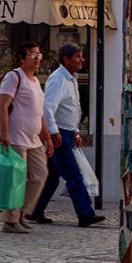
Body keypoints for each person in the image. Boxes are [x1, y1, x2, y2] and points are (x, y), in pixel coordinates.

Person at [28, 43, 105, 228]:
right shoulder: (58, 79)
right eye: (78, 56)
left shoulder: (72, 79)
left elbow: (71, 109)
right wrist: (53, 133)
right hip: (59, 133)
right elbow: (48, 108)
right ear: (66, 59)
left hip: (68, 132)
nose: (81, 60)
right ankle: (85, 213)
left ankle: (34, 210)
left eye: (81, 56)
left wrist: (76, 131)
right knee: (73, 174)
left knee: (51, 176)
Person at [0, 42, 54, 234]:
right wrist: (4, 132)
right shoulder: (14, 77)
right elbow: (3, 105)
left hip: (34, 138)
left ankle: (22, 213)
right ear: (22, 57)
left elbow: (39, 113)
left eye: (39, 55)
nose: (37, 58)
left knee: (39, 175)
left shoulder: (36, 82)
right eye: (32, 54)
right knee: (16, 179)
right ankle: (10, 221)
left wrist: (47, 137)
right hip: (16, 137)